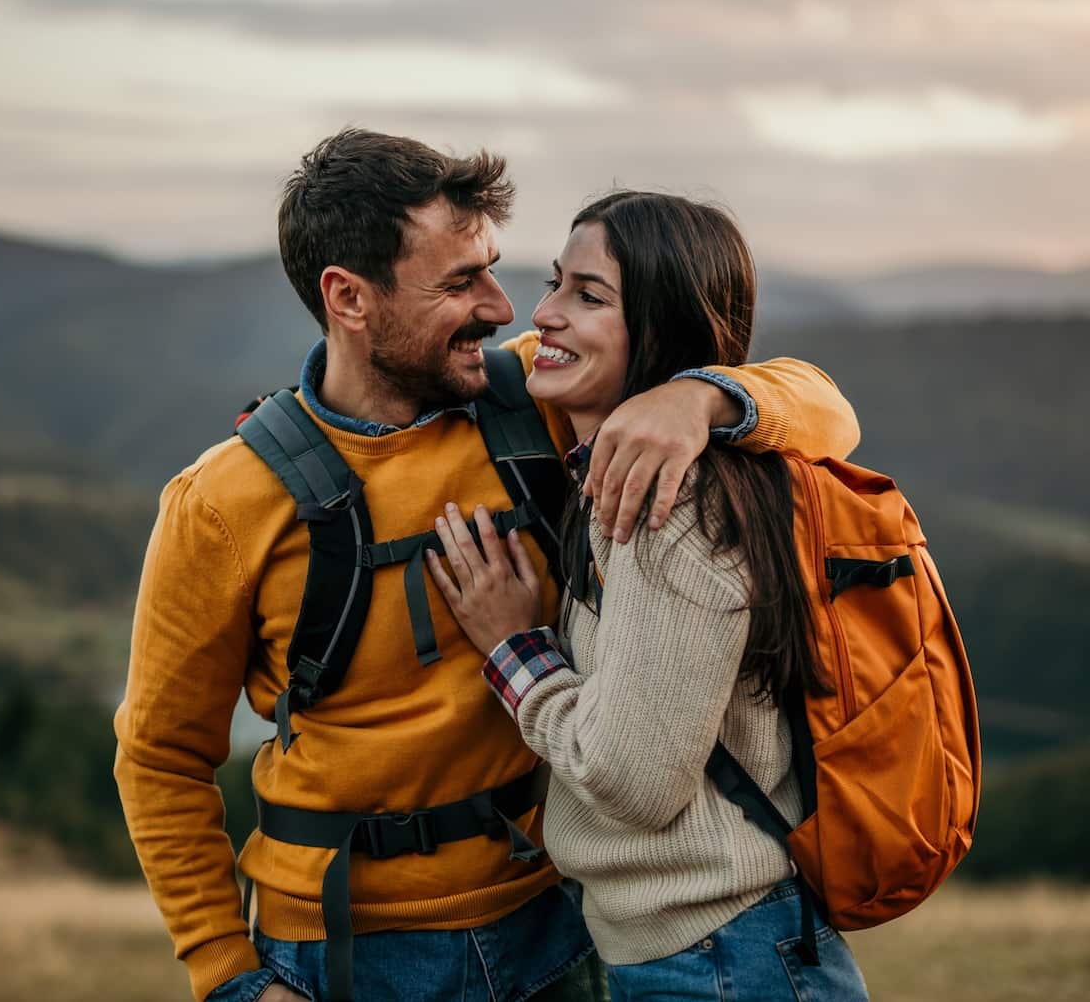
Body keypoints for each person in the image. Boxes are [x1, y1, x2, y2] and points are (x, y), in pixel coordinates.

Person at [114, 132, 862, 1002]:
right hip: (344, 953)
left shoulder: (531, 400)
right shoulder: (221, 503)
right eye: (459, 282)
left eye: (495, 271)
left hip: (553, 928)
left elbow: (827, 410)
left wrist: (701, 396)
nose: (503, 308)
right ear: (349, 297)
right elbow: (160, 757)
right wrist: (227, 974)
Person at [425, 190, 871, 1000]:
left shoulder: (671, 503)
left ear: (662, 327)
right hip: (703, 951)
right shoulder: (619, 469)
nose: (543, 314)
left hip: (720, 959)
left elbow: (634, 781)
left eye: (589, 296)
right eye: (556, 283)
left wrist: (513, 649)